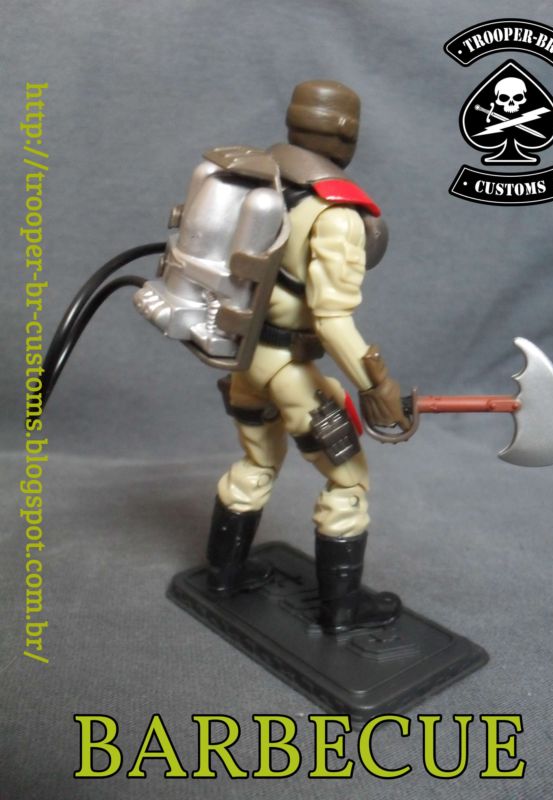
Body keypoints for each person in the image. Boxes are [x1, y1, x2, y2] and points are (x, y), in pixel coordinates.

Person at [205, 80, 412, 634]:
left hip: (245, 362)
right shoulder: (335, 214)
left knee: (256, 464)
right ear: (347, 133)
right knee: (349, 482)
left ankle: (222, 577)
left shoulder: (259, 180)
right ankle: (341, 613)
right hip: (288, 369)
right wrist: (378, 388)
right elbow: (332, 320)